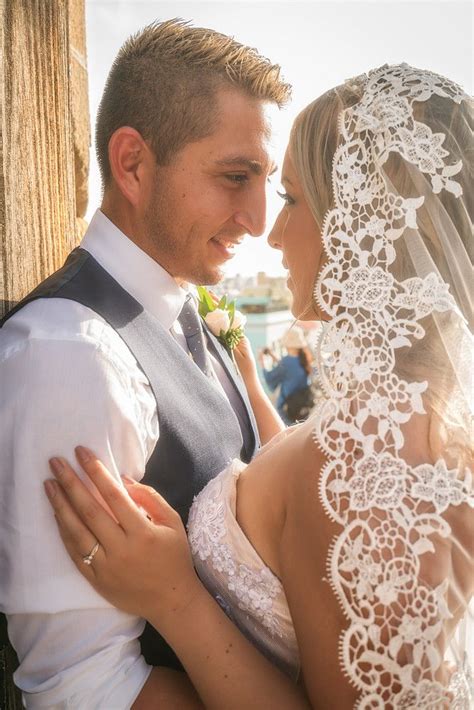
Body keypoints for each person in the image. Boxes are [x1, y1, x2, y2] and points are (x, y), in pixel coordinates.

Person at [43, 64, 473, 708]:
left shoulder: (359, 462)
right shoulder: (417, 421)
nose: (271, 231)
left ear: (364, 224)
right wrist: (242, 373)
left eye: (293, 199)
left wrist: (176, 598)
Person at [0, 19, 292, 708]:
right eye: (234, 177)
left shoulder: (188, 307)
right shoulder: (70, 355)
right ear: (132, 163)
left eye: (267, 183)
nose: (257, 218)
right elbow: (83, 687)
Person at [260, 326, 313, 423]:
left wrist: (262, 362)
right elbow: (289, 369)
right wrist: (272, 355)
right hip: (303, 406)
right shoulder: (305, 359)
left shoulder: (286, 362)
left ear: (287, 344)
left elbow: (270, 379)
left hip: (287, 409)